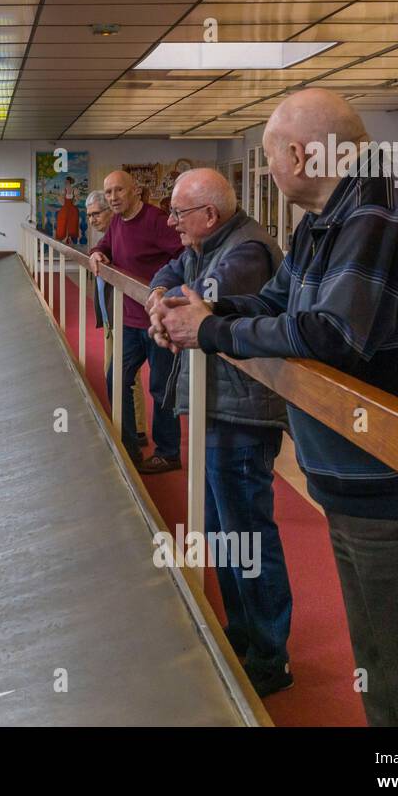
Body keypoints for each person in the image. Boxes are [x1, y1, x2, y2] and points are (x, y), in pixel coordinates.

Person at [157, 89, 398, 726]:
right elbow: (277, 305)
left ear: (301, 154)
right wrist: (203, 312)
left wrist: (212, 332)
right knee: (384, 669)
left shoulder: (380, 206)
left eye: (271, 156)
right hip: (355, 482)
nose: (269, 173)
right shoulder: (325, 220)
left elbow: (332, 335)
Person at [145, 169, 293, 697]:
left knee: (247, 534)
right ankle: (243, 635)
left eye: (179, 214)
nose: (171, 222)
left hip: (242, 414)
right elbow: (171, 275)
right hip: (215, 406)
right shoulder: (207, 244)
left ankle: (271, 656)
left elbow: (200, 308)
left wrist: (166, 310)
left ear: (208, 214)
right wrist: (161, 297)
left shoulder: (247, 252)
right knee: (223, 534)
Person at [89, 170, 184, 472]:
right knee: (116, 379)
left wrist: (164, 288)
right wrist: (96, 253)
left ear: (135, 192)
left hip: (158, 322)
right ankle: (130, 447)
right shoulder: (116, 221)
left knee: (160, 388)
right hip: (130, 319)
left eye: (119, 191)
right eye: (108, 193)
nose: (113, 198)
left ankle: (168, 453)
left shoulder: (157, 221)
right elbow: (105, 245)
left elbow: (183, 256)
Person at [87, 191, 147, 446]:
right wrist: (96, 251)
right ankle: (127, 426)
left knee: (123, 375)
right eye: (88, 215)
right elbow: (102, 248)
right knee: (112, 371)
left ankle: (136, 431)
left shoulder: (125, 235)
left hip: (128, 316)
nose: (92, 220)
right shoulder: (110, 237)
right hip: (113, 317)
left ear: (111, 213)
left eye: (96, 214)